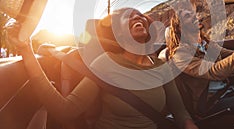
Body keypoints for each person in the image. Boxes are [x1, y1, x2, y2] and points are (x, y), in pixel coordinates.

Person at [5, 7, 198, 129]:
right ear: (119, 33)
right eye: (127, 16)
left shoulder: (161, 67)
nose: (136, 17)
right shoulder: (107, 63)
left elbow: (181, 114)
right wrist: (25, 49)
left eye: (139, 14)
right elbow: (66, 110)